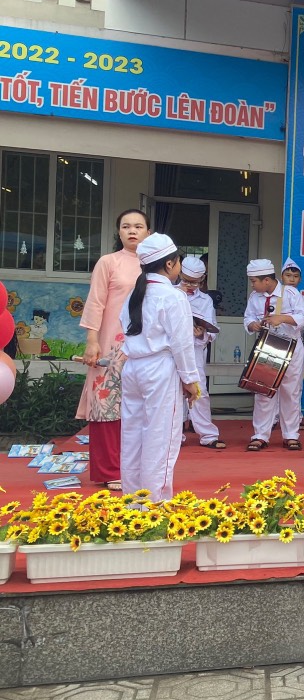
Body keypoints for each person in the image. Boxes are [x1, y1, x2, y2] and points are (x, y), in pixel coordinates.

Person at [118, 234, 201, 501]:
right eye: (178, 262)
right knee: (160, 437)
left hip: (133, 366)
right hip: (159, 368)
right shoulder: (173, 296)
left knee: (132, 436)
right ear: (169, 264)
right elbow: (182, 344)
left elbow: (124, 329)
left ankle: (133, 502)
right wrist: (190, 380)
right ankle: (155, 504)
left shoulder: (134, 294)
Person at [78, 209, 150, 490]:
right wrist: (92, 340)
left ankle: (138, 467)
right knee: (106, 405)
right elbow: (95, 302)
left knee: (140, 407)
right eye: (126, 226)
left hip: (144, 345)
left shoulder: (154, 265)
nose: (132, 231)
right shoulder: (108, 262)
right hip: (110, 343)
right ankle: (110, 470)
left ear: (148, 232)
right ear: (118, 232)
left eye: (138, 226)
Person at [244, 259, 304, 451]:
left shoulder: (290, 293)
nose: (252, 285)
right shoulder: (254, 297)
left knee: (290, 392)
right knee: (263, 391)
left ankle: (291, 435)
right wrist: (252, 324)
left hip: (290, 347)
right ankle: (260, 435)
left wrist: (283, 318)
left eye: (254, 281)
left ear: (266, 280)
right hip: (267, 347)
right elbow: (248, 317)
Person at [178, 255, 224, 449]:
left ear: (202, 280)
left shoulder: (205, 300)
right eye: (186, 281)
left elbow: (212, 328)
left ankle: (208, 435)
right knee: (173, 391)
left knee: (199, 391)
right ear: (179, 274)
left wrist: (201, 334)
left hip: (194, 350)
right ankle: (174, 435)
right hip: (171, 349)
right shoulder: (170, 293)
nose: (190, 286)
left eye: (195, 282)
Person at [279, 258, 304, 430]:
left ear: (300, 279)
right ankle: (273, 418)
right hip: (276, 343)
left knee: (295, 384)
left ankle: (295, 419)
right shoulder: (276, 296)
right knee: (273, 381)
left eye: (295, 276)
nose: (291, 279)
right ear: (281, 276)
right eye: (288, 275)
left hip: (297, 343)